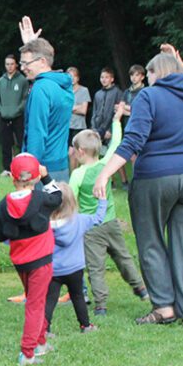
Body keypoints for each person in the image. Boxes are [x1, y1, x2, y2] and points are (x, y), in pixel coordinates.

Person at [93, 44, 183, 329]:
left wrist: (104, 174)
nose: (146, 79)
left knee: (151, 239)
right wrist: (180, 62)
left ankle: (164, 307)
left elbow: (133, 140)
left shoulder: (149, 96)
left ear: (154, 72)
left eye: (148, 73)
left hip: (156, 175)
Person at [69, 105, 148, 316]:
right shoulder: (107, 165)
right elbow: (116, 143)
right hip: (111, 222)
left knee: (96, 267)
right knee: (123, 257)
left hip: (90, 228)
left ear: (80, 152)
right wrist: (117, 119)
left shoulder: (77, 175)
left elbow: (70, 201)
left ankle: (101, 305)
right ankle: (140, 288)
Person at [0, 153, 62, 365]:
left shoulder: (3, 205)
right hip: (41, 261)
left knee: (35, 299)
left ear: (13, 179)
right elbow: (58, 197)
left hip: (20, 261)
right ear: (34, 179)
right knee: (35, 304)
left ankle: (40, 341)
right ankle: (28, 352)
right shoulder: (41, 199)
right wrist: (46, 177)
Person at [19, 17, 73, 181]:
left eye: (25, 63)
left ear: (42, 62)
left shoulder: (41, 89)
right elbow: (45, 54)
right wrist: (32, 44)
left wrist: (28, 173)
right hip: (61, 166)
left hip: (42, 169)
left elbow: (37, 132)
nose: (22, 68)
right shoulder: (63, 83)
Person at [46, 186, 104, 335]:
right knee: (78, 296)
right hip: (75, 269)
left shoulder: (45, 224)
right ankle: (85, 326)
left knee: (50, 299)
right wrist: (102, 201)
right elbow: (98, 219)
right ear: (72, 202)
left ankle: (44, 330)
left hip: (53, 269)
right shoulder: (80, 220)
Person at [0, 55, 28, 177]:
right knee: (5, 144)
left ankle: (23, 168)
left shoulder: (22, 80)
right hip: (4, 116)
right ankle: (7, 168)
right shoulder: (0, 81)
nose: (9, 66)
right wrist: (0, 110)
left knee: (21, 142)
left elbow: (25, 98)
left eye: (12, 64)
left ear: (16, 65)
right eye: (7, 64)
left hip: (18, 116)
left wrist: (18, 110)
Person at [91, 67, 123, 145]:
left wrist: (111, 130)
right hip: (97, 129)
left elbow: (118, 113)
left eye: (106, 77)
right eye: (102, 77)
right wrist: (93, 128)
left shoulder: (117, 92)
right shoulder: (98, 94)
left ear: (112, 79)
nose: (104, 79)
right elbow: (94, 112)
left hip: (109, 130)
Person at [67, 67, 90, 147]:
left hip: (79, 126)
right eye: (70, 76)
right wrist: (77, 107)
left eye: (74, 76)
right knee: (66, 152)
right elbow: (62, 108)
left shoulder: (84, 90)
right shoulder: (65, 91)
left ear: (78, 78)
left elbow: (83, 110)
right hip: (66, 125)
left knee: (75, 152)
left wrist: (70, 108)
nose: (72, 78)